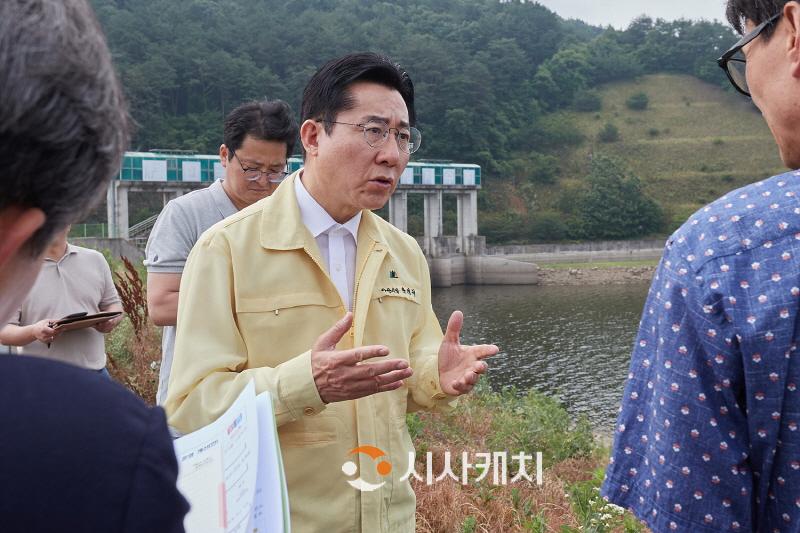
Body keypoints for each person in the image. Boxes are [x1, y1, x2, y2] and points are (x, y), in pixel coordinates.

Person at [165, 52, 499, 532]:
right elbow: (191, 405)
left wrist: (436, 375)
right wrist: (305, 384)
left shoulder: (403, 253)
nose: (392, 154)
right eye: (373, 131)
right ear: (312, 136)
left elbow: (409, 368)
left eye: (403, 136)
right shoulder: (226, 250)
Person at [602, 1, 800, 531]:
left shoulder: (720, 253)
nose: (750, 86)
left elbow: (691, 512)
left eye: (745, 52)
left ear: (794, 32)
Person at [0, 0, 188, 530]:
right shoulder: (111, 447)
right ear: (18, 238)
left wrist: (106, 319)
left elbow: (114, 309)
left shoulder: (93, 262)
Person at [145, 99, 298, 405]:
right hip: (197, 396)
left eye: (275, 171)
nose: (263, 181)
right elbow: (161, 306)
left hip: (272, 392)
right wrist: (260, 303)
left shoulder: (291, 217)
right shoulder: (186, 214)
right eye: (251, 169)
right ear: (225, 155)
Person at [0, 225, 124, 376]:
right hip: (41, 377)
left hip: (95, 374)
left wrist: (111, 319)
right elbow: (4, 332)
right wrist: (34, 331)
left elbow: (113, 304)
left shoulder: (95, 259)